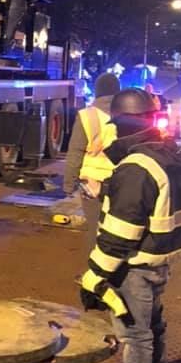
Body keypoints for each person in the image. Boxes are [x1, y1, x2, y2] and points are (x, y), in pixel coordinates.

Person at [79, 88, 181, 363]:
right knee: (153, 331)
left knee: (134, 336)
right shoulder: (167, 155)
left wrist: (94, 278)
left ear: (125, 124)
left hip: (135, 267)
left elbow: (120, 235)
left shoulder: (136, 168)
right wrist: (109, 191)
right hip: (159, 262)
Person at [63, 72, 120, 254]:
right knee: (118, 229)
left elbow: (75, 152)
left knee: (95, 228)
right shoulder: (128, 113)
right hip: (121, 181)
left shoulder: (87, 115)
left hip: (91, 183)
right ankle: (115, 273)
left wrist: (69, 184)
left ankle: (95, 275)